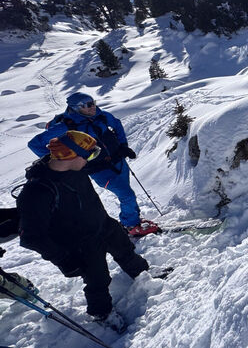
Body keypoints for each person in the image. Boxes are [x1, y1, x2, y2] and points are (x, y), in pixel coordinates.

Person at [16, 131, 150, 332]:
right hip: (80, 244)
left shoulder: (75, 166)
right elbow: (31, 237)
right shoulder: (37, 192)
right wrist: (64, 259)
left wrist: (117, 153)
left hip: (103, 224)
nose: (91, 158)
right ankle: (102, 314)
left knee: (125, 251)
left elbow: (99, 164)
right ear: (72, 156)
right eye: (90, 153)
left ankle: (142, 274)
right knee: (98, 280)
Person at [28, 92, 156, 237]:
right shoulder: (66, 126)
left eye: (93, 102)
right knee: (126, 195)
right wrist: (59, 161)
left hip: (118, 161)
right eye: (87, 105)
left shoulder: (101, 115)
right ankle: (131, 225)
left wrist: (123, 145)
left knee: (127, 193)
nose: (93, 107)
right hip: (98, 169)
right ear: (76, 108)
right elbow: (35, 144)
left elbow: (117, 124)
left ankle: (133, 219)